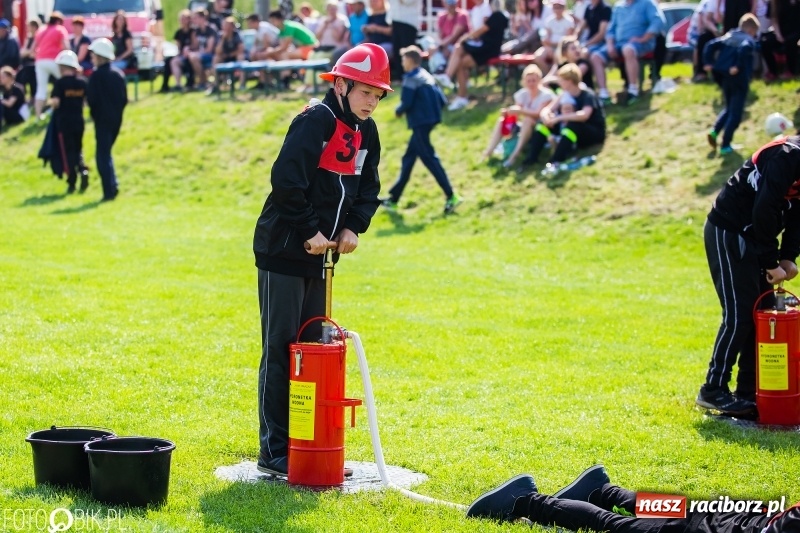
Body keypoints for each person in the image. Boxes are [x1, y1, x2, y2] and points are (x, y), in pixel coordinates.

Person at [252, 43, 390, 477]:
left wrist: (352, 228)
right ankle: (275, 450)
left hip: (320, 256)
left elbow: (367, 189)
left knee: (313, 352)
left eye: (378, 95)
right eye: (366, 91)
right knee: (282, 350)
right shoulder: (316, 119)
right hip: (284, 250)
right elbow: (287, 181)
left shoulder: (366, 133)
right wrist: (310, 229)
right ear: (343, 83)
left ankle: (310, 444)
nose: (372, 101)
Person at [696, 135, 800, 416]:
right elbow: (764, 208)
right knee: (740, 314)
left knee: (760, 314)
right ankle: (713, 390)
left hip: (755, 237)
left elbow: (798, 215)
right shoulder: (787, 156)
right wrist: (771, 262)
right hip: (729, 230)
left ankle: (746, 393)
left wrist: (788, 257)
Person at [466, 464, 800, 532]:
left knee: (681, 509)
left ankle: (602, 490)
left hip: (750, 516)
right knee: (611, 524)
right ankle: (524, 500)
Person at [381, 45, 462, 215]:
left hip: (420, 122)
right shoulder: (426, 75)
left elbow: (407, 102)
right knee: (408, 159)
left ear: (410, 61)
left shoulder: (411, 78)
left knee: (430, 159)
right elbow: (442, 99)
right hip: (429, 121)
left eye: (403, 59)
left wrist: (398, 111)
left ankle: (451, 196)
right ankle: (394, 199)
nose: (402, 63)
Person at [522, 62, 605, 166]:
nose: (559, 83)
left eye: (561, 80)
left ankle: (555, 160)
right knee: (541, 126)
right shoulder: (565, 94)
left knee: (572, 125)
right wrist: (546, 117)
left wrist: (559, 118)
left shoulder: (588, 95)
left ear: (569, 81)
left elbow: (584, 115)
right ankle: (531, 159)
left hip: (593, 134)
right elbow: (548, 109)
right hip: (573, 130)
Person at [703, 13, 759, 156]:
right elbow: (745, 48)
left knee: (729, 107)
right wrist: (738, 66)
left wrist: (708, 62)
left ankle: (714, 131)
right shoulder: (748, 39)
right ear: (751, 30)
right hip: (739, 79)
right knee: (736, 113)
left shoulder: (729, 36)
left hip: (723, 77)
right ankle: (726, 145)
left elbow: (710, 45)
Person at [437, 0, 509, 111]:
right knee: (460, 61)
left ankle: (448, 77)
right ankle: (460, 95)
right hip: (484, 48)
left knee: (459, 47)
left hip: (488, 50)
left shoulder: (498, 16)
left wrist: (465, 38)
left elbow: (480, 31)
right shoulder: (494, 15)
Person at [589, 0, 663, 105]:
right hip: (618, 44)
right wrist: (610, 44)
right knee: (596, 56)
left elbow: (658, 22)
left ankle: (633, 91)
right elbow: (611, 29)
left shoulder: (647, 3)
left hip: (640, 44)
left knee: (628, 49)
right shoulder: (619, 7)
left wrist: (643, 38)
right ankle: (604, 95)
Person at [482, 64, 555, 167]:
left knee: (528, 120)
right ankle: (489, 151)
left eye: (533, 80)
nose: (531, 83)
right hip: (524, 125)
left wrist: (521, 110)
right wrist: (508, 114)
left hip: (540, 128)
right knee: (502, 120)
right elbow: (517, 116)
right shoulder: (521, 94)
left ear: (539, 80)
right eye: (528, 81)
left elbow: (538, 114)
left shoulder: (546, 95)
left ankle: (515, 155)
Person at [86, 38, 127, 202]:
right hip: (116, 119)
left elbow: (92, 100)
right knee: (107, 153)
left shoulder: (95, 77)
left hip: (102, 120)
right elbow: (124, 99)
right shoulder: (118, 75)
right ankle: (113, 184)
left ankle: (108, 191)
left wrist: (95, 115)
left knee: (102, 156)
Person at [49, 50, 88, 194]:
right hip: (79, 121)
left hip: (64, 123)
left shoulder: (59, 84)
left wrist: (49, 102)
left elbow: (56, 102)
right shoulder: (82, 83)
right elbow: (85, 102)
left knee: (68, 152)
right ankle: (83, 169)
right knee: (78, 149)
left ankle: (72, 181)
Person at [33, 11, 69, 119]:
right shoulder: (59, 29)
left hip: (40, 61)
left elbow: (34, 48)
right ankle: (68, 106)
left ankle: (38, 116)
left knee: (41, 89)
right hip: (54, 60)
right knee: (65, 82)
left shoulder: (41, 30)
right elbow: (66, 47)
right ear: (58, 21)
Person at [759, 0, 800, 81]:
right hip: (780, 31)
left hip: (797, 31)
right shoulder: (775, 2)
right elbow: (774, 19)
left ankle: (791, 71)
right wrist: (778, 35)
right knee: (765, 42)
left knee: (790, 41)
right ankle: (773, 71)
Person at [533, 0, 576, 72]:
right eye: (555, 7)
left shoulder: (569, 21)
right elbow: (546, 38)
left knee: (556, 58)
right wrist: (549, 47)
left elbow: (568, 41)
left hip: (562, 49)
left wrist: (554, 45)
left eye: (560, 7)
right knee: (537, 57)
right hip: (550, 47)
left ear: (564, 8)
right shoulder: (549, 21)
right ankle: (549, 75)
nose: (557, 10)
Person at [208, 16, 245, 95]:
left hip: (235, 57)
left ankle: (241, 84)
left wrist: (230, 54)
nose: (225, 28)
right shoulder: (221, 36)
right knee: (216, 58)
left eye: (227, 26)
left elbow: (241, 49)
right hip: (225, 57)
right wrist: (223, 39)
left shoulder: (237, 35)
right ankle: (216, 84)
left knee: (241, 56)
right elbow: (217, 51)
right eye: (224, 25)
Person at [688, 0, 721, 83]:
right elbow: (703, 18)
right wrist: (716, 31)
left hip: (711, 28)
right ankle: (699, 72)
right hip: (698, 29)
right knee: (700, 43)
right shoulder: (710, 2)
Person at [188, 9, 217, 91]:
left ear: (203, 18)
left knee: (194, 57)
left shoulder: (211, 29)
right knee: (191, 56)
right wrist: (188, 49)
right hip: (200, 54)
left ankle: (202, 81)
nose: (194, 20)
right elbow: (195, 46)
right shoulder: (196, 31)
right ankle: (201, 81)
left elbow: (209, 49)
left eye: (196, 18)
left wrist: (196, 53)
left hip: (212, 55)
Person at [169, 9, 196, 92]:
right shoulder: (178, 33)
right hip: (182, 55)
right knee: (172, 61)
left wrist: (188, 49)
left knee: (189, 58)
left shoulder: (193, 31)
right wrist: (180, 53)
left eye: (184, 19)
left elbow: (195, 45)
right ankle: (178, 84)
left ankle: (191, 82)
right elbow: (178, 47)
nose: (182, 21)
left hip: (192, 53)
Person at [436, 0, 470, 66]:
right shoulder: (441, 17)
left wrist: (441, 46)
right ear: (444, 4)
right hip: (446, 45)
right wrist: (441, 46)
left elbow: (454, 36)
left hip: (459, 47)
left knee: (444, 51)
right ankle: (438, 70)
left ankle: (443, 71)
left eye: (453, 3)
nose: (451, 6)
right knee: (432, 50)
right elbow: (440, 35)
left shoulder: (462, 15)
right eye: (449, 3)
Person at [0, 66, 29, 131]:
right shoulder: (4, 90)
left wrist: (1, 100)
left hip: (20, 116)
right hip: (11, 114)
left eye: (3, 77)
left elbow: (10, 104)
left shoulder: (16, 88)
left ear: (9, 77)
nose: (1, 79)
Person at [18, 20, 39, 103]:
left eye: (29, 26)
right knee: (20, 79)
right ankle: (22, 95)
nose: (27, 28)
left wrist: (27, 52)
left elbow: (33, 53)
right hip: (25, 63)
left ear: (34, 27)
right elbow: (23, 52)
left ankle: (32, 97)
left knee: (32, 79)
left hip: (33, 64)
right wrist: (28, 52)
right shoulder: (29, 37)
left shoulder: (37, 37)